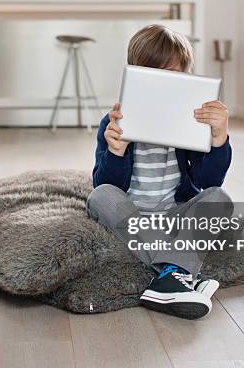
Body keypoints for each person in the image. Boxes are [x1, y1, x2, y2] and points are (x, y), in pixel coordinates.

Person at [87, 24, 233, 320]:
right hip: (131, 218)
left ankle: (170, 277)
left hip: (173, 217)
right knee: (100, 196)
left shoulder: (191, 124)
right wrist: (116, 151)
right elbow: (104, 184)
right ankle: (182, 272)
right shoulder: (113, 122)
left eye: (173, 77)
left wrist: (219, 138)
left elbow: (209, 181)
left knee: (219, 198)